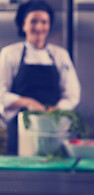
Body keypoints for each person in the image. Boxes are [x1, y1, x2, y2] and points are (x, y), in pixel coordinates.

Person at [0, 0, 80, 155]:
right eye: (33, 21)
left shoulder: (60, 55)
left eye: (44, 22)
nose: (38, 27)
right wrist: (28, 102)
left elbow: (72, 95)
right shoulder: (9, 54)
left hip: (55, 128)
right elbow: (0, 93)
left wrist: (55, 110)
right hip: (19, 131)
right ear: (23, 25)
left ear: (49, 25)